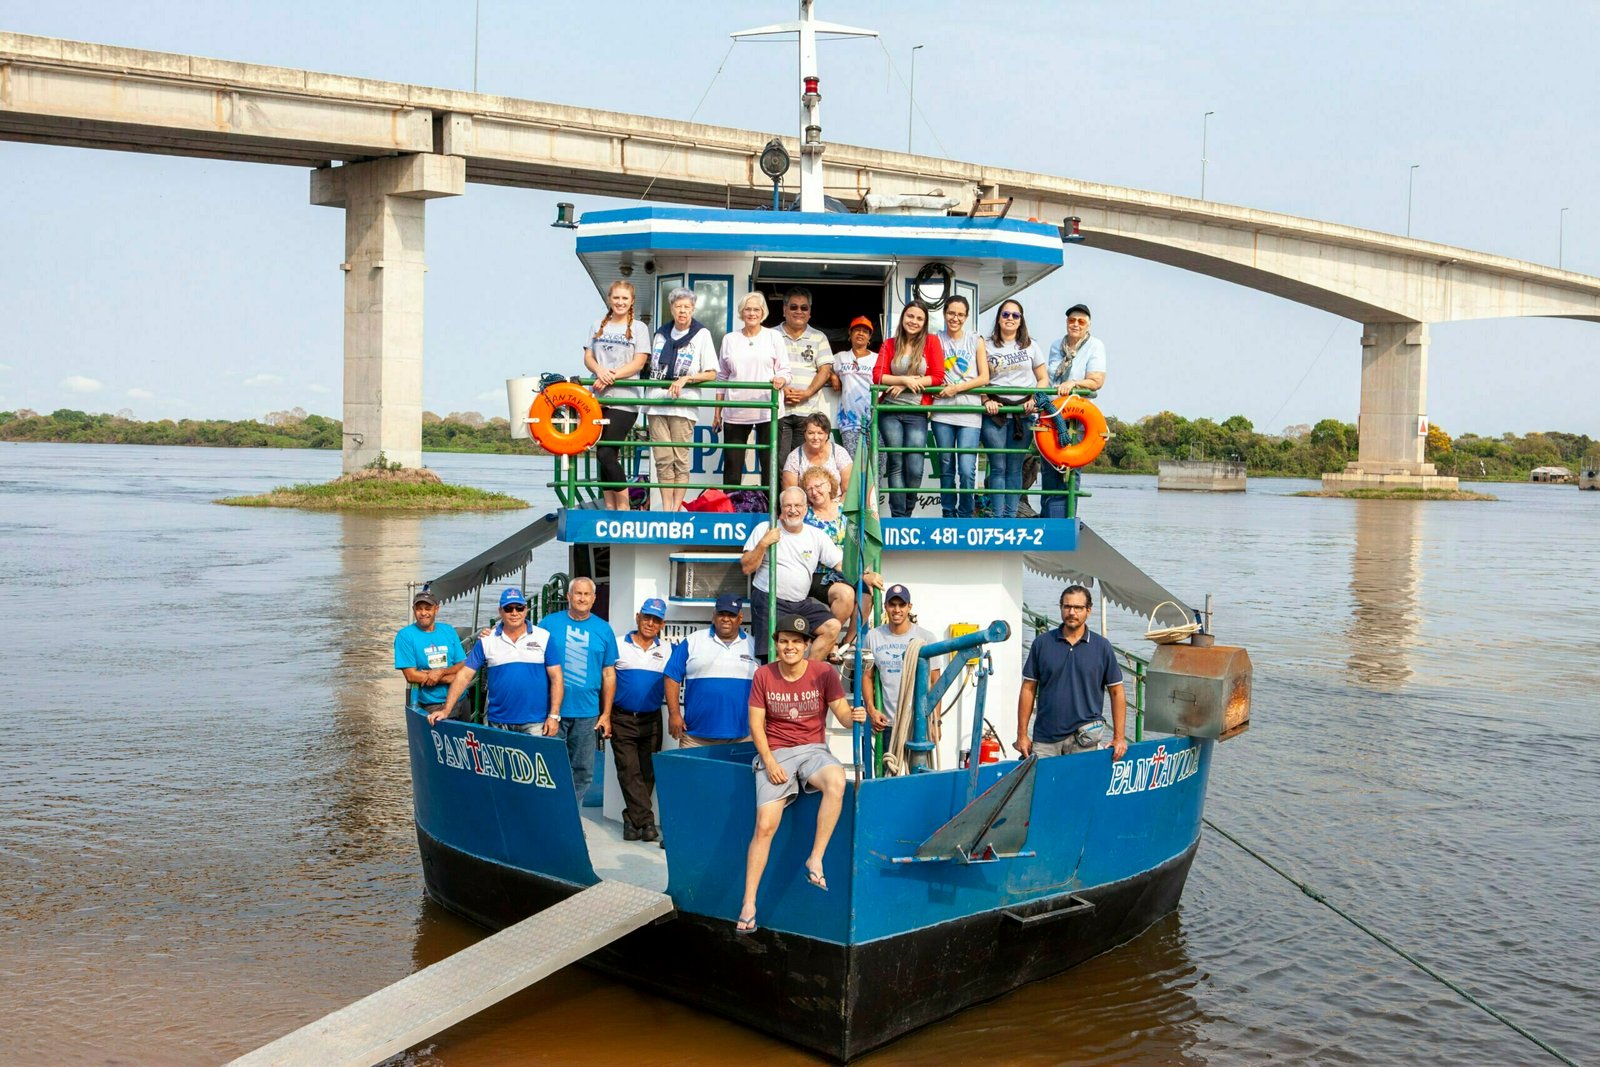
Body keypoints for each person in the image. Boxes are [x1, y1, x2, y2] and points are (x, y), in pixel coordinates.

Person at [737, 612, 867, 934]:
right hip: (777, 753)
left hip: (813, 751)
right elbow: (756, 725)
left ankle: (815, 858)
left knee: (836, 780)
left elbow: (843, 715)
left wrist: (857, 715)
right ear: (777, 644)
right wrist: (769, 762)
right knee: (764, 826)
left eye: (796, 641)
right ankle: (749, 903)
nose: (790, 647)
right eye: (784, 641)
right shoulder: (764, 675)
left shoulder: (824, 673)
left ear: (807, 645)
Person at [430, 588, 563, 736]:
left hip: (535, 722)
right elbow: (464, 676)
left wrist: (554, 716)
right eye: (508, 608)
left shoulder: (543, 637)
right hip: (498, 722)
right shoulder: (487, 640)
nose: (514, 613)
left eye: (519, 608)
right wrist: (446, 710)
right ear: (500, 611)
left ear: (526, 610)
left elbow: (556, 678)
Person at [1015, 585, 1127, 760]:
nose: (1072, 612)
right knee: (1043, 779)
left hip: (1085, 739)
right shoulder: (1042, 644)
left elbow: (1117, 692)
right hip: (1046, 739)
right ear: (1061, 608)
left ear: (1088, 610)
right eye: (1067, 606)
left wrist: (1119, 738)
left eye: (1078, 607)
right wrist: (1022, 735)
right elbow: (1028, 688)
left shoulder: (1102, 647)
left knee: (1082, 779)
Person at [740, 486, 843, 661]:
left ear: (805, 509)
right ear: (781, 508)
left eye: (797, 505)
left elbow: (841, 565)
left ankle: (807, 672)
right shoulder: (765, 528)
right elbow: (746, 568)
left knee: (832, 626)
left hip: (800, 603)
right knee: (775, 658)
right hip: (769, 599)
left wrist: (866, 576)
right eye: (788, 505)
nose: (793, 510)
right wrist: (763, 544)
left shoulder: (816, 535)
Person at [540, 577, 619, 801]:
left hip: (587, 714)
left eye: (586, 594)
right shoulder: (548, 624)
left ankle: (571, 814)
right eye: (578, 593)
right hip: (553, 712)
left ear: (594, 599)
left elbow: (609, 674)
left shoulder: (604, 629)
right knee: (549, 769)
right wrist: (496, 631)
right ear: (568, 596)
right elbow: (525, 643)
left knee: (583, 772)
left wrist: (606, 714)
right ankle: (551, 812)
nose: (582, 598)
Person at [646, 287, 719, 512]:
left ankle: (677, 508)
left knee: (680, 458)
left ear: (693, 309)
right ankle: (667, 508)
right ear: (671, 309)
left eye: (687, 307)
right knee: (663, 459)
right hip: (656, 403)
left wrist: (687, 378)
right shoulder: (660, 334)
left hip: (683, 405)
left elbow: (711, 372)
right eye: (678, 306)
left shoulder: (702, 334)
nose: (682, 311)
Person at [584, 279, 652, 511]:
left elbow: (638, 362)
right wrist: (599, 371)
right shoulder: (596, 325)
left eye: (625, 298)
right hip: (598, 398)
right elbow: (589, 357)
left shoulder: (639, 328)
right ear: (609, 299)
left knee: (606, 451)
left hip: (625, 399)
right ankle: (610, 507)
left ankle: (624, 507)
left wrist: (609, 376)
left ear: (632, 301)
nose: (620, 302)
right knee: (604, 455)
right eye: (616, 298)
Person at [872, 302, 945, 517]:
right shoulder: (890, 343)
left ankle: (908, 512)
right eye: (910, 316)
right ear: (903, 318)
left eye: (919, 318)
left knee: (914, 467)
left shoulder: (931, 342)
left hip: (917, 411)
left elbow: (938, 377)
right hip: (890, 410)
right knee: (896, 461)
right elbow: (877, 376)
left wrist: (905, 384)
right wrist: (904, 379)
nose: (914, 321)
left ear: (925, 323)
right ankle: (898, 517)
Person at [1038, 304, 1109, 519]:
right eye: (1072, 320)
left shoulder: (1095, 346)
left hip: (1077, 416)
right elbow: (1049, 378)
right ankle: (1048, 517)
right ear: (1066, 322)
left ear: (1088, 325)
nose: (1075, 324)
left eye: (1081, 321)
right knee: (1048, 467)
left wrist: (1074, 383)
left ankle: (1066, 518)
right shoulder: (1056, 346)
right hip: (1052, 413)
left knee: (1070, 468)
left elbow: (1097, 381)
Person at [799, 465, 883, 640]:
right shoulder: (805, 517)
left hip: (848, 570)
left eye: (818, 486)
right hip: (819, 573)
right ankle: (829, 641)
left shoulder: (846, 511)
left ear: (829, 485)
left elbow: (859, 543)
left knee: (867, 595)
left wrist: (864, 571)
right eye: (809, 489)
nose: (814, 492)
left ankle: (848, 643)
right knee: (846, 595)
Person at [665, 593, 760, 747]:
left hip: (743, 736)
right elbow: (671, 676)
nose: (726, 619)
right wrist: (674, 714)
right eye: (721, 614)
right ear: (714, 615)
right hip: (695, 738)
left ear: (740, 618)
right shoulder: (693, 640)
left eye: (731, 615)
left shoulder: (754, 645)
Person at [981, 299, 1047, 518]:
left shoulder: (1031, 346)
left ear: (1021, 320)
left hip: (1023, 415)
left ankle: (1011, 515)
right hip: (995, 414)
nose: (1010, 318)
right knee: (997, 466)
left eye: (1015, 315)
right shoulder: (986, 345)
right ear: (999, 318)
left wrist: (1035, 399)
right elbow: (979, 377)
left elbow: (1043, 378)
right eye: (1006, 314)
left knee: (1015, 467)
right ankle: (997, 515)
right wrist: (985, 400)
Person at [716, 291, 789, 490]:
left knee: (770, 464)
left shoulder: (774, 337)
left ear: (763, 312)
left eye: (756, 309)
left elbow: (785, 370)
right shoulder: (730, 339)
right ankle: (731, 507)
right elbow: (722, 376)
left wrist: (781, 379)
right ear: (741, 312)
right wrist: (717, 412)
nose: (752, 313)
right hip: (736, 410)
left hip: (768, 410)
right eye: (748, 309)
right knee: (732, 466)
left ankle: (769, 506)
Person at [612, 598, 671, 841]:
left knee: (648, 772)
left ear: (662, 624)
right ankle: (647, 822)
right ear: (638, 617)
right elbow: (605, 679)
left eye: (656, 620)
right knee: (628, 770)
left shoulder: (668, 650)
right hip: (621, 717)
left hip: (652, 719)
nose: (650, 623)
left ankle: (631, 820)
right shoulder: (617, 644)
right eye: (647, 617)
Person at [930, 294, 990, 519]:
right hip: (942, 413)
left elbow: (984, 377)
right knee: (946, 466)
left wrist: (956, 388)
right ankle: (948, 513)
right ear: (944, 313)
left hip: (969, 413)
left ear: (966, 317)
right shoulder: (935, 339)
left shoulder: (975, 340)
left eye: (960, 314)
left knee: (967, 469)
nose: (955, 318)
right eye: (951, 313)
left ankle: (965, 515)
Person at [862, 584, 939, 727]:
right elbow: (867, 676)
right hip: (888, 723)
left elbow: (935, 682)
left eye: (902, 605)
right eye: (892, 604)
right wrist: (872, 710)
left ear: (909, 607)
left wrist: (936, 722)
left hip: (919, 724)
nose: (897, 610)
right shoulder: (873, 637)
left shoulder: (926, 638)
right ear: (885, 606)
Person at [775, 287, 834, 468]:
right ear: (784, 310)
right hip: (779, 410)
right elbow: (764, 368)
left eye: (804, 308)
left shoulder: (819, 337)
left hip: (807, 414)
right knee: (778, 462)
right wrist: (783, 390)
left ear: (809, 312)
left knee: (804, 464)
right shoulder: (771, 335)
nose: (799, 311)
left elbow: (825, 370)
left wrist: (807, 393)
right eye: (793, 307)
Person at [395, 588, 467, 720]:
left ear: (436, 609)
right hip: (432, 705)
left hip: (461, 698)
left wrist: (441, 672)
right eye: (419, 609)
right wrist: (450, 678)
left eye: (428, 609)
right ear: (413, 609)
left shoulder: (448, 630)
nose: (423, 613)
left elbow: (462, 663)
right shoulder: (405, 636)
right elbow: (411, 675)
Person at [830, 316, 877, 460]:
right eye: (857, 330)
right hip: (849, 420)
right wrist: (833, 375)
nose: (861, 333)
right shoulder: (840, 357)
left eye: (865, 331)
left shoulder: (877, 358)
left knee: (877, 464)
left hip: (875, 419)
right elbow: (823, 367)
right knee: (854, 463)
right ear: (850, 334)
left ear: (869, 337)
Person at [781, 412, 852, 490]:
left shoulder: (840, 453)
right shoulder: (794, 457)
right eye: (811, 433)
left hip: (836, 498)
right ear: (804, 434)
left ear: (827, 435)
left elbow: (848, 490)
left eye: (820, 433)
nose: (815, 437)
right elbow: (790, 492)